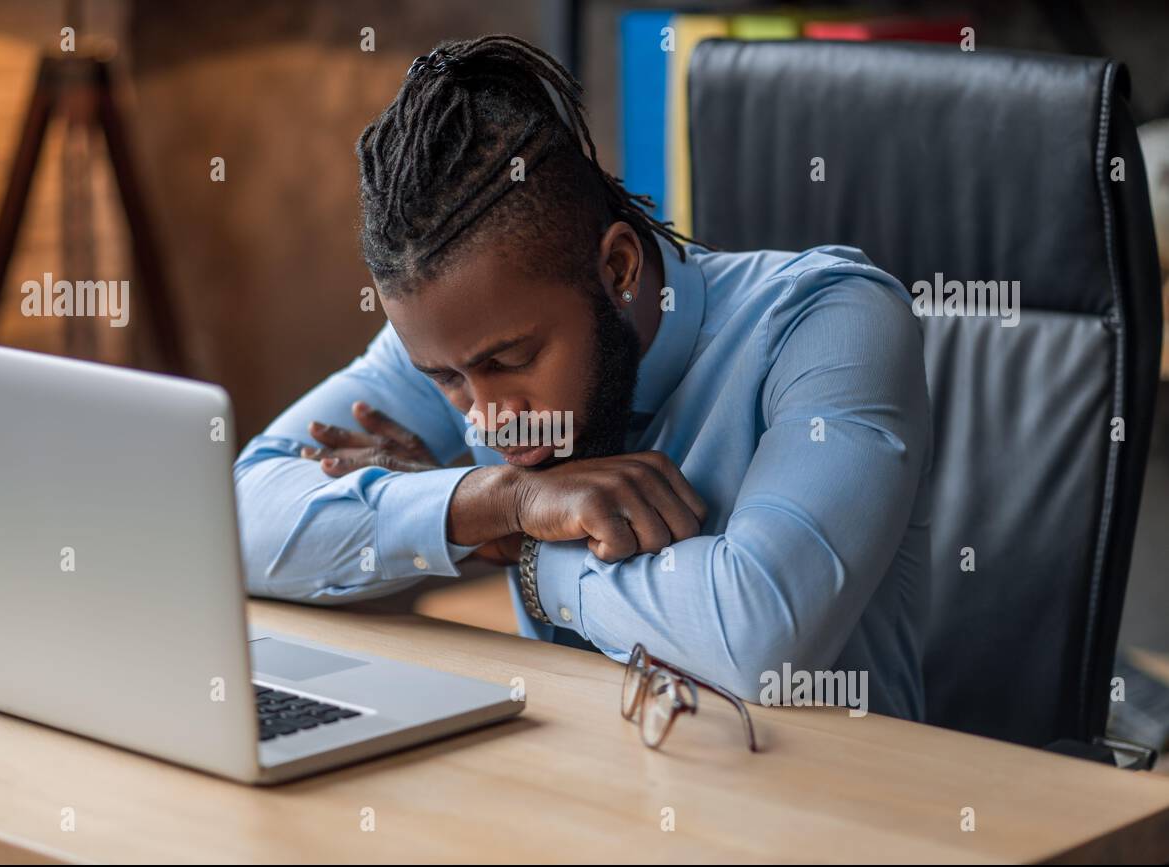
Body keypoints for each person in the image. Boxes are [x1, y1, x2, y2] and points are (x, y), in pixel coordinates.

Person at [234, 35, 931, 720]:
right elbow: (234, 521)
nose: (486, 418)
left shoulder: (830, 319)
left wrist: (529, 555)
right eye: (445, 379)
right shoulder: (465, 333)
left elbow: (759, 637)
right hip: (582, 790)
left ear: (620, 270)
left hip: (842, 813)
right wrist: (490, 502)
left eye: (511, 363)